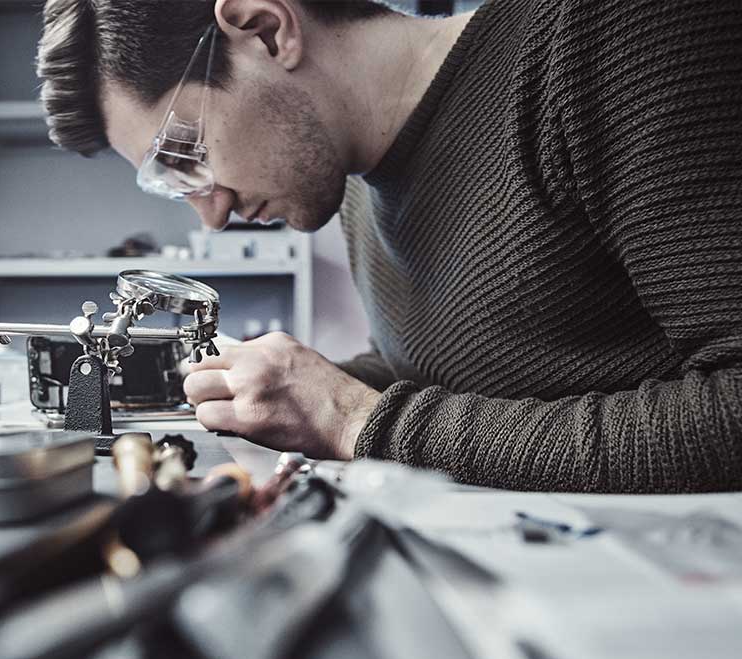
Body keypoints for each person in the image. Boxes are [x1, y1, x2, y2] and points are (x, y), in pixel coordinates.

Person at [36, 0, 742, 492]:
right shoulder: (351, 188)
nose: (209, 217)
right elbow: (455, 371)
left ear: (265, 29)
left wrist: (352, 417)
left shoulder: (607, 37)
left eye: (181, 156)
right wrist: (289, 394)